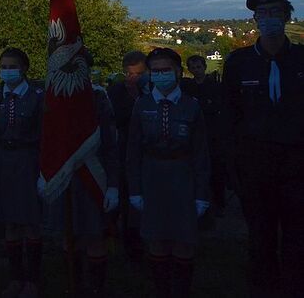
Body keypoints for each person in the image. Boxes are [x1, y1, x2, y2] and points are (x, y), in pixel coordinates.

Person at [223, 0, 304, 298]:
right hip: (255, 169)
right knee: (260, 240)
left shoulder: (300, 59)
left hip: (297, 168)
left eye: (276, 13)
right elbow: (229, 118)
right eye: (263, 14)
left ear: (287, 16)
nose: (269, 18)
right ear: (255, 19)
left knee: (298, 241)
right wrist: (235, 170)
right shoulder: (239, 63)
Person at [127, 47, 210, 298]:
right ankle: (162, 290)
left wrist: (202, 194)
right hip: (152, 178)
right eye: (155, 71)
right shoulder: (141, 105)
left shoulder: (191, 106)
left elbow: (201, 153)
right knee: (157, 239)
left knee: (184, 241)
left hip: (182, 178)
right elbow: (133, 152)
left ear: (177, 72)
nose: (161, 75)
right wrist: (135, 189)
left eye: (166, 70)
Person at [44, 50, 120, 297]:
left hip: (93, 176)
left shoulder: (98, 98)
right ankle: (73, 284)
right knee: (70, 235)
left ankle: (96, 287)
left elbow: (109, 144)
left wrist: (113, 185)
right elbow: (47, 140)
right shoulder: (54, 98)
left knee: (94, 234)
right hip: (66, 176)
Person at [0, 47, 44, 297]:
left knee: (29, 222)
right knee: (10, 222)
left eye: (12, 67)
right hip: (3, 161)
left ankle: (32, 279)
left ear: (24, 69)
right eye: (3, 67)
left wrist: (44, 171)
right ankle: (15, 277)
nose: (7, 72)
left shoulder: (37, 97)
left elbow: (43, 136)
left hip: (28, 160)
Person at [108, 50, 148, 260]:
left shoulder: (151, 91)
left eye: (139, 74)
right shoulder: (115, 91)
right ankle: (131, 245)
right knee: (127, 200)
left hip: (148, 153)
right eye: (130, 74)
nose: (134, 79)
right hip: (124, 152)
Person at [181, 55, 226, 217]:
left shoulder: (214, 86)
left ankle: (218, 201)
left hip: (212, 131)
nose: (196, 70)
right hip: (195, 131)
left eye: (198, 67)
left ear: (204, 67)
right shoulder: (188, 86)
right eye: (193, 68)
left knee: (215, 168)